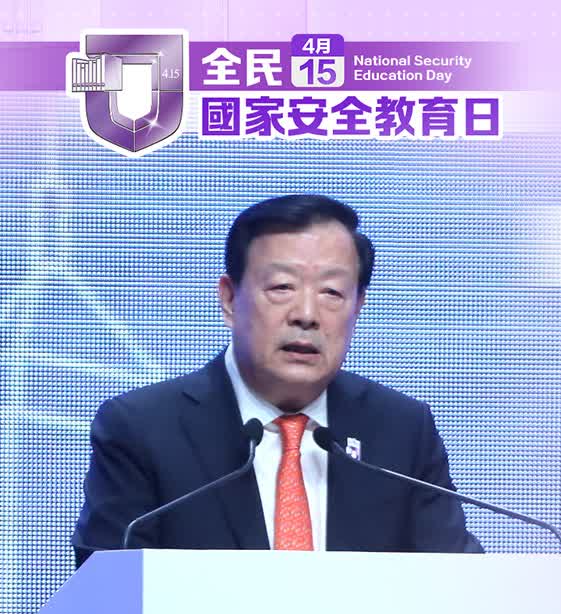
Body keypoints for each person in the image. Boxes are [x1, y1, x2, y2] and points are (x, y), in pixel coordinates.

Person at [72, 194, 482, 566]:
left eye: (332, 293)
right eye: (282, 287)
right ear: (229, 299)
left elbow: (458, 585)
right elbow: (107, 597)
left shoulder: (402, 430)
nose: (306, 314)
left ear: (358, 306)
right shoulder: (143, 428)